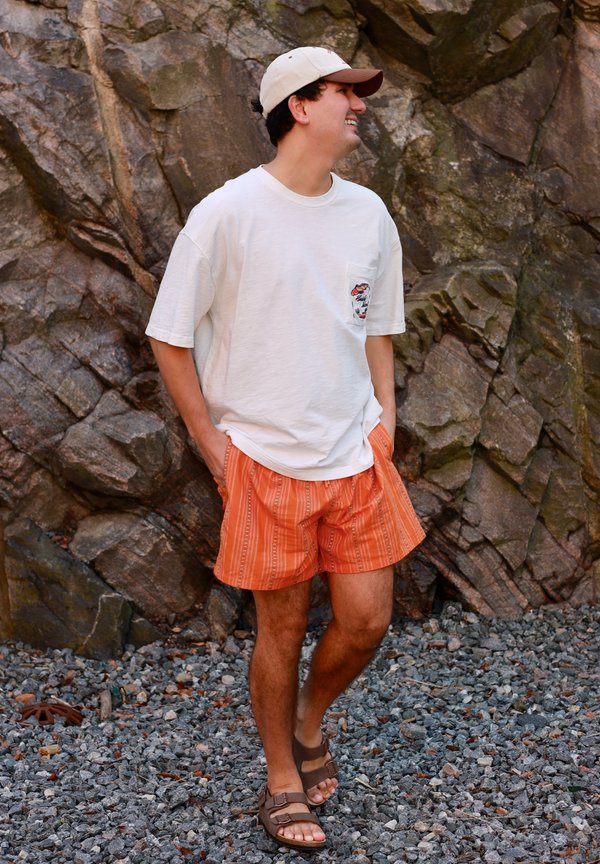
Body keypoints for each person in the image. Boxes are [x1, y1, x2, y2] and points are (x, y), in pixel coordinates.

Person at [146, 45, 425, 850]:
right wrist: (214, 447)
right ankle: (280, 778)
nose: (360, 106)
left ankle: (311, 717)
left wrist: (387, 418)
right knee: (281, 628)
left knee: (368, 620)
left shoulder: (368, 213)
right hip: (262, 458)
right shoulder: (228, 214)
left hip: (354, 452)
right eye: (346, 92)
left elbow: (378, 326)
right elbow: (170, 338)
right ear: (298, 106)